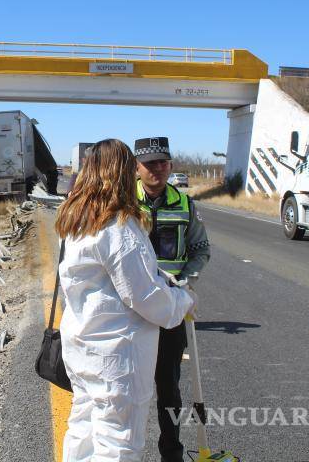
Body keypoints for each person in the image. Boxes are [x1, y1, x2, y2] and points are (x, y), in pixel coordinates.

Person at [55, 138, 196, 461]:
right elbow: (145, 297)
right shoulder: (118, 227)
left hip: (82, 346)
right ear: (122, 173)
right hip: (116, 356)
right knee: (118, 443)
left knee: (83, 430)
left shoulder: (77, 220)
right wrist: (183, 300)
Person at [133, 137, 210, 462]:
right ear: (136, 168)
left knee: (169, 387)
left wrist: (185, 283)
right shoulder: (121, 202)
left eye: (163, 163)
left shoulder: (184, 203)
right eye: (150, 164)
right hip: (133, 311)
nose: (157, 169)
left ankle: (172, 454)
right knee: (131, 388)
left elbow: (200, 249)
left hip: (169, 310)